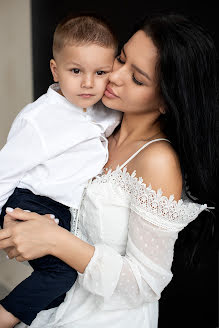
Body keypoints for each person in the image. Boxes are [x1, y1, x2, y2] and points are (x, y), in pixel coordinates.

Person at [0, 13, 217, 328]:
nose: (114, 77)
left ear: (166, 101)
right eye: (121, 59)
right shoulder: (92, 123)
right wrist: (23, 229)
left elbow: (145, 285)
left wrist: (55, 241)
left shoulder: (157, 160)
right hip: (54, 305)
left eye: (137, 78)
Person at [0, 14, 121, 327]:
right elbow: (5, 170)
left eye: (100, 72)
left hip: (62, 209)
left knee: (59, 290)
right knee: (61, 274)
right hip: (30, 200)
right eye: (76, 70)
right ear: (56, 69)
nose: (88, 82)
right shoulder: (39, 119)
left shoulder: (102, 110)